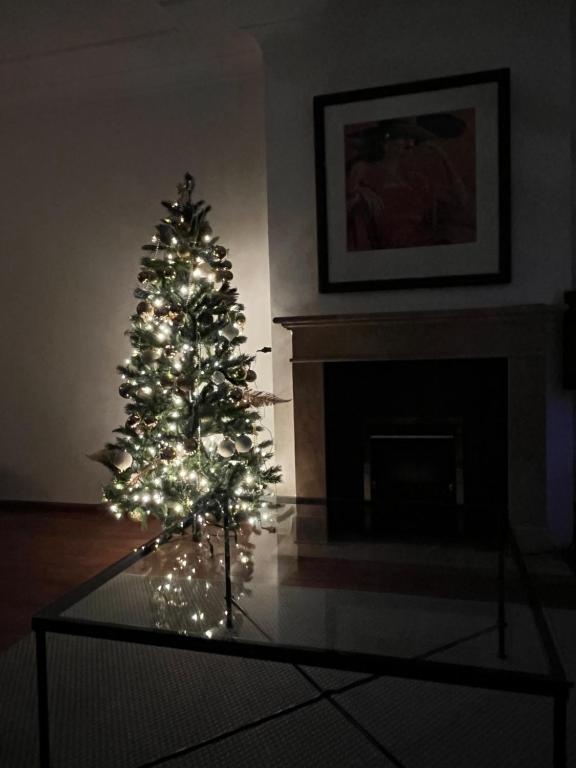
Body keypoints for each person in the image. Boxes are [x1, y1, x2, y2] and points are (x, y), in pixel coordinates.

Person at [346, 114, 476, 251]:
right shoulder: (363, 170)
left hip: (424, 247)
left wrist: (441, 156)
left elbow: (462, 200)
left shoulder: (416, 178)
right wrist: (357, 192)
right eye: (404, 137)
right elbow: (344, 209)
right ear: (386, 140)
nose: (411, 144)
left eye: (413, 139)